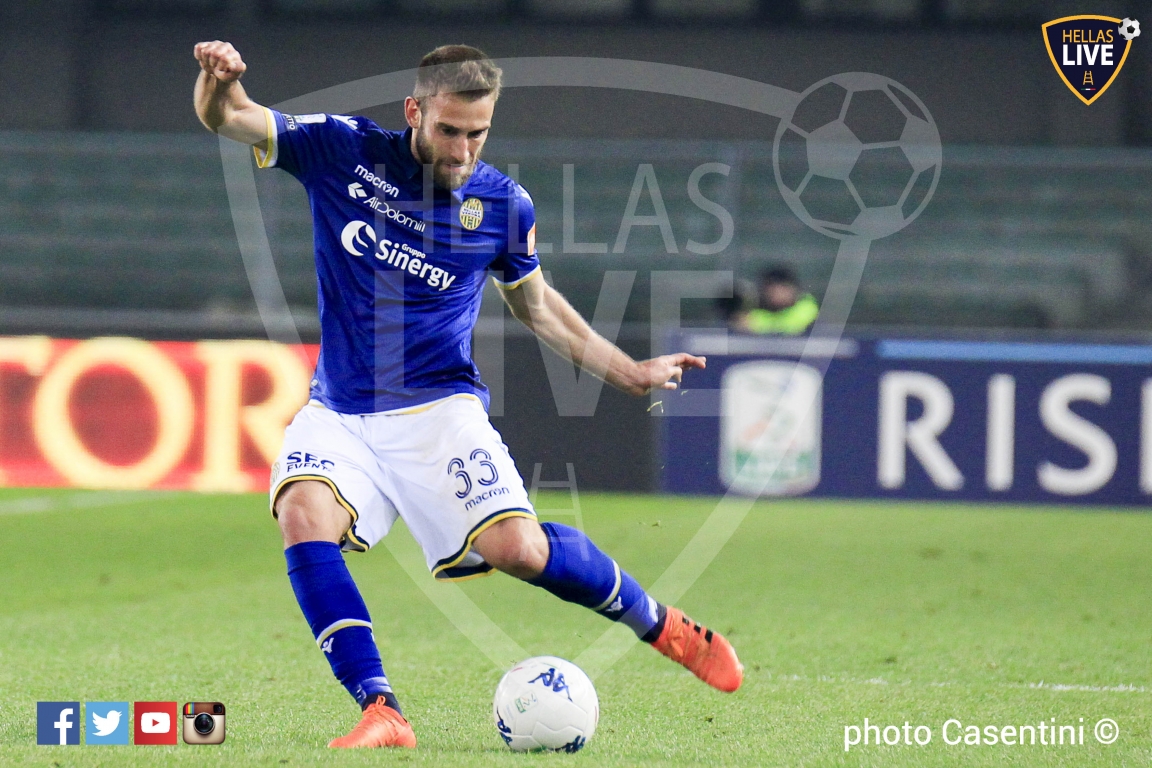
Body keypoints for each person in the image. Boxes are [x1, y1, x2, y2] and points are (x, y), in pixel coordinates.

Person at [192, 41, 743, 749]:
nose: (461, 150)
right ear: (414, 111)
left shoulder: (504, 205)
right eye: (448, 130)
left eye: (477, 134)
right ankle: (381, 708)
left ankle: (663, 627)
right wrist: (217, 82)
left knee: (518, 550)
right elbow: (228, 117)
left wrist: (629, 372)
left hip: (438, 411)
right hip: (340, 410)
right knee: (301, 514)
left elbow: (537, 307)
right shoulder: (342, 150)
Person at [729, 266, 819, 334]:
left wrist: (754, 326)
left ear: (793, 289)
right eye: (771, 288)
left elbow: (793, 325)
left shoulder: (807, 307)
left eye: (782, 288)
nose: (776, 293)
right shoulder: (754, 310)